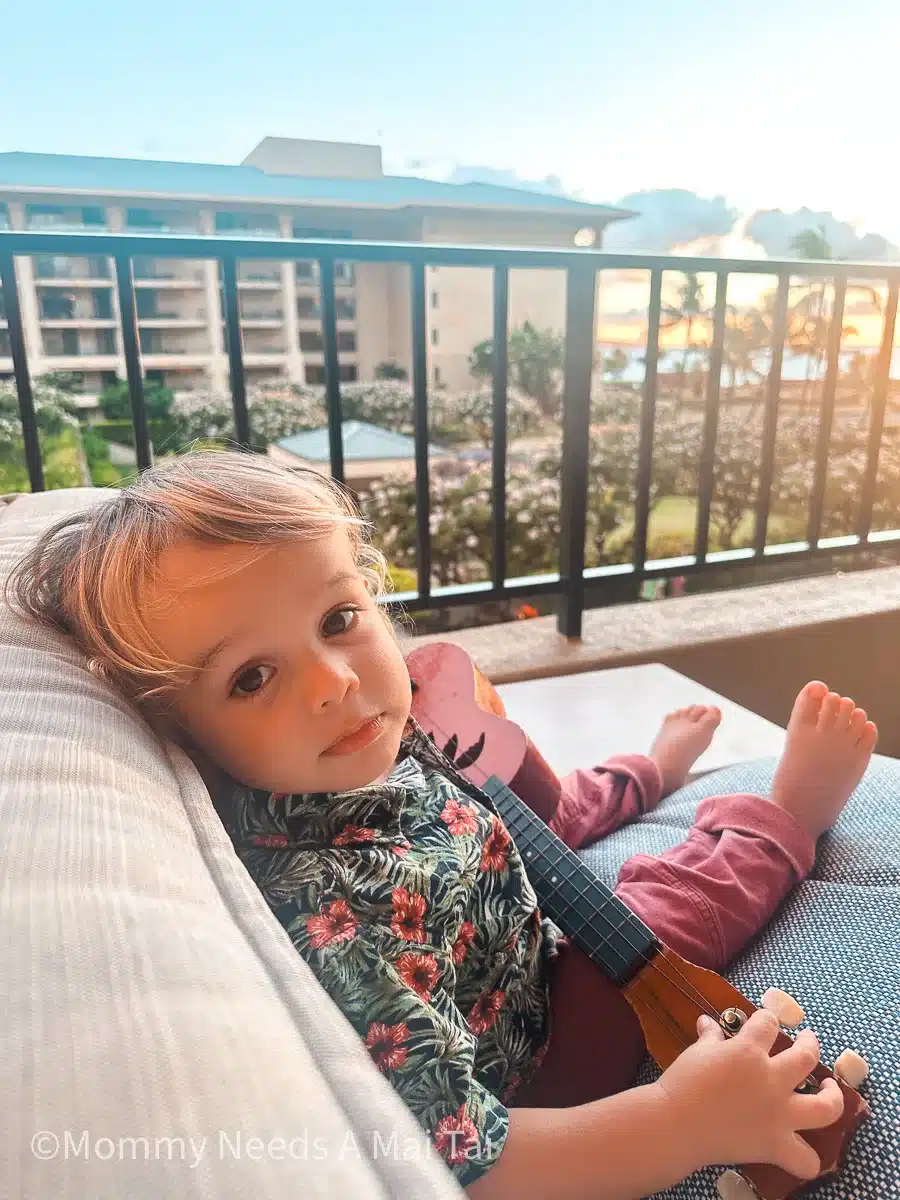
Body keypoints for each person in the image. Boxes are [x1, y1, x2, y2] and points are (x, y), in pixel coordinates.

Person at [9, 451, 876, 1200]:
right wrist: (683, 1123)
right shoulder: (328, 912)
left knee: (532, 797)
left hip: (509, 894)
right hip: (543, 1054)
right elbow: (476, 1163)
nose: (332, 683)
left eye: (339, 620)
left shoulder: (371, 748)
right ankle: (787, 814)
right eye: (251, 677)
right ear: (181, 731)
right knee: (654, 900)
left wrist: (631, 780)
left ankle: (652, 770)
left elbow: (530, 821)